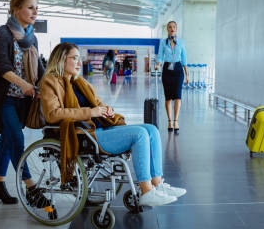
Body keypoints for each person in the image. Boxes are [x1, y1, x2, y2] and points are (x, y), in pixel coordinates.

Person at [40, 43, 186, 206]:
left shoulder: (79, 82)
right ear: (61, 60)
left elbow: (97, 103)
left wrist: (105, 109)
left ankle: (157, 184)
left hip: (99, 127)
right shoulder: (50, 82)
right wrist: (91, 112)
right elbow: (53, 115)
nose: (80, 63)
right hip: (84, 134)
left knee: (151, 129)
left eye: (79, 58)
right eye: (75, 58)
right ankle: (146, 190)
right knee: (139, 134)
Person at [0, 0, 46, 205]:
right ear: (16, 9)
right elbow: (0, 66)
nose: (35, 12)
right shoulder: (2, 33)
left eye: (37, 8)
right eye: (31, 7)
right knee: (17, 140)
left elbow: (39, 69)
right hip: (5, 99)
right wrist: (25, 85)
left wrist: (50, 86)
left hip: (24, 101)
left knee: (7, 139)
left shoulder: (32, 37)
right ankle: (31, 188)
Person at [155, 21, 188, 133]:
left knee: (178, 96)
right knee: (168, 97)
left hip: (178, 70)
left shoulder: (181, 42)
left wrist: (187, 75)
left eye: (174, 27)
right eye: (170, 27)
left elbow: (184, 59)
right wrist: (157, 65)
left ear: (176, 29)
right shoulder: (163, 42)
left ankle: (176, 121)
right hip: (167, 69)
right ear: (167, 30)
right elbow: (160, 56)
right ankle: (169, 121)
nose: (172, 28)